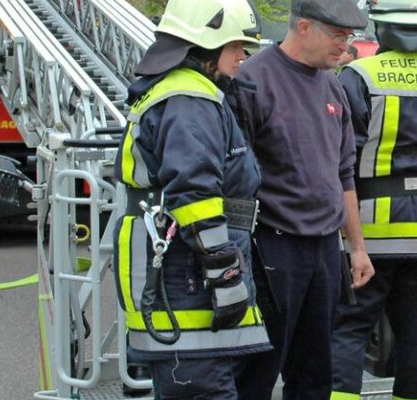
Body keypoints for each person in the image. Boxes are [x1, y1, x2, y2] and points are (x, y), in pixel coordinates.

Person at [111, 0, 272, 398]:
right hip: (187, 270)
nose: (242, 55)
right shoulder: (189, 99)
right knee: (203, 387)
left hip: (185, 266)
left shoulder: (188, 91)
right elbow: (195, 192)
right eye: (235, 46)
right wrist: (224, 270)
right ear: (205, 46)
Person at [233, 0, 377, 398]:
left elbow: (344, 173)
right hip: (271, 247)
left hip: (324, 251)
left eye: (350, 37)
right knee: (258, 370)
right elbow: (235, 178)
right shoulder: (252, 81)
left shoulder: (332, 85)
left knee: (315, 373)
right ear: (303, 27)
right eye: (338, 35)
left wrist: (357, 248)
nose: (345, 46)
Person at [331, 1, 417, 399]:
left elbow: (340, 158)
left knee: (348, 330)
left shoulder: (358, 76)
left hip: (368, 233)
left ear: (382, 28)